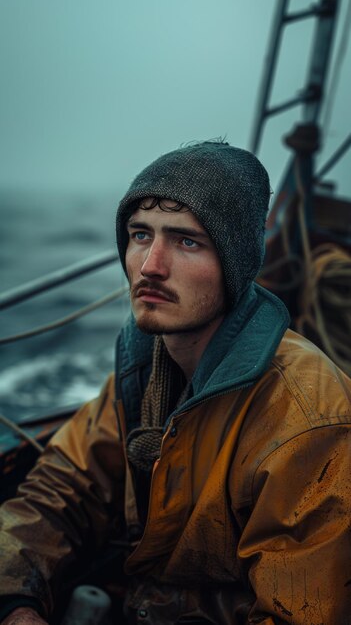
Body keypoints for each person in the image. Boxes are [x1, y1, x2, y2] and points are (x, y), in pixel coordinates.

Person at [0, 140, 351, 625]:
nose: (150, 266)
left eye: (187, 241)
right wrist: (16, 605)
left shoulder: (306, 421)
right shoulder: (142, 367)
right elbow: (59, 491)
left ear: (235, 263)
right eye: (140, 235)